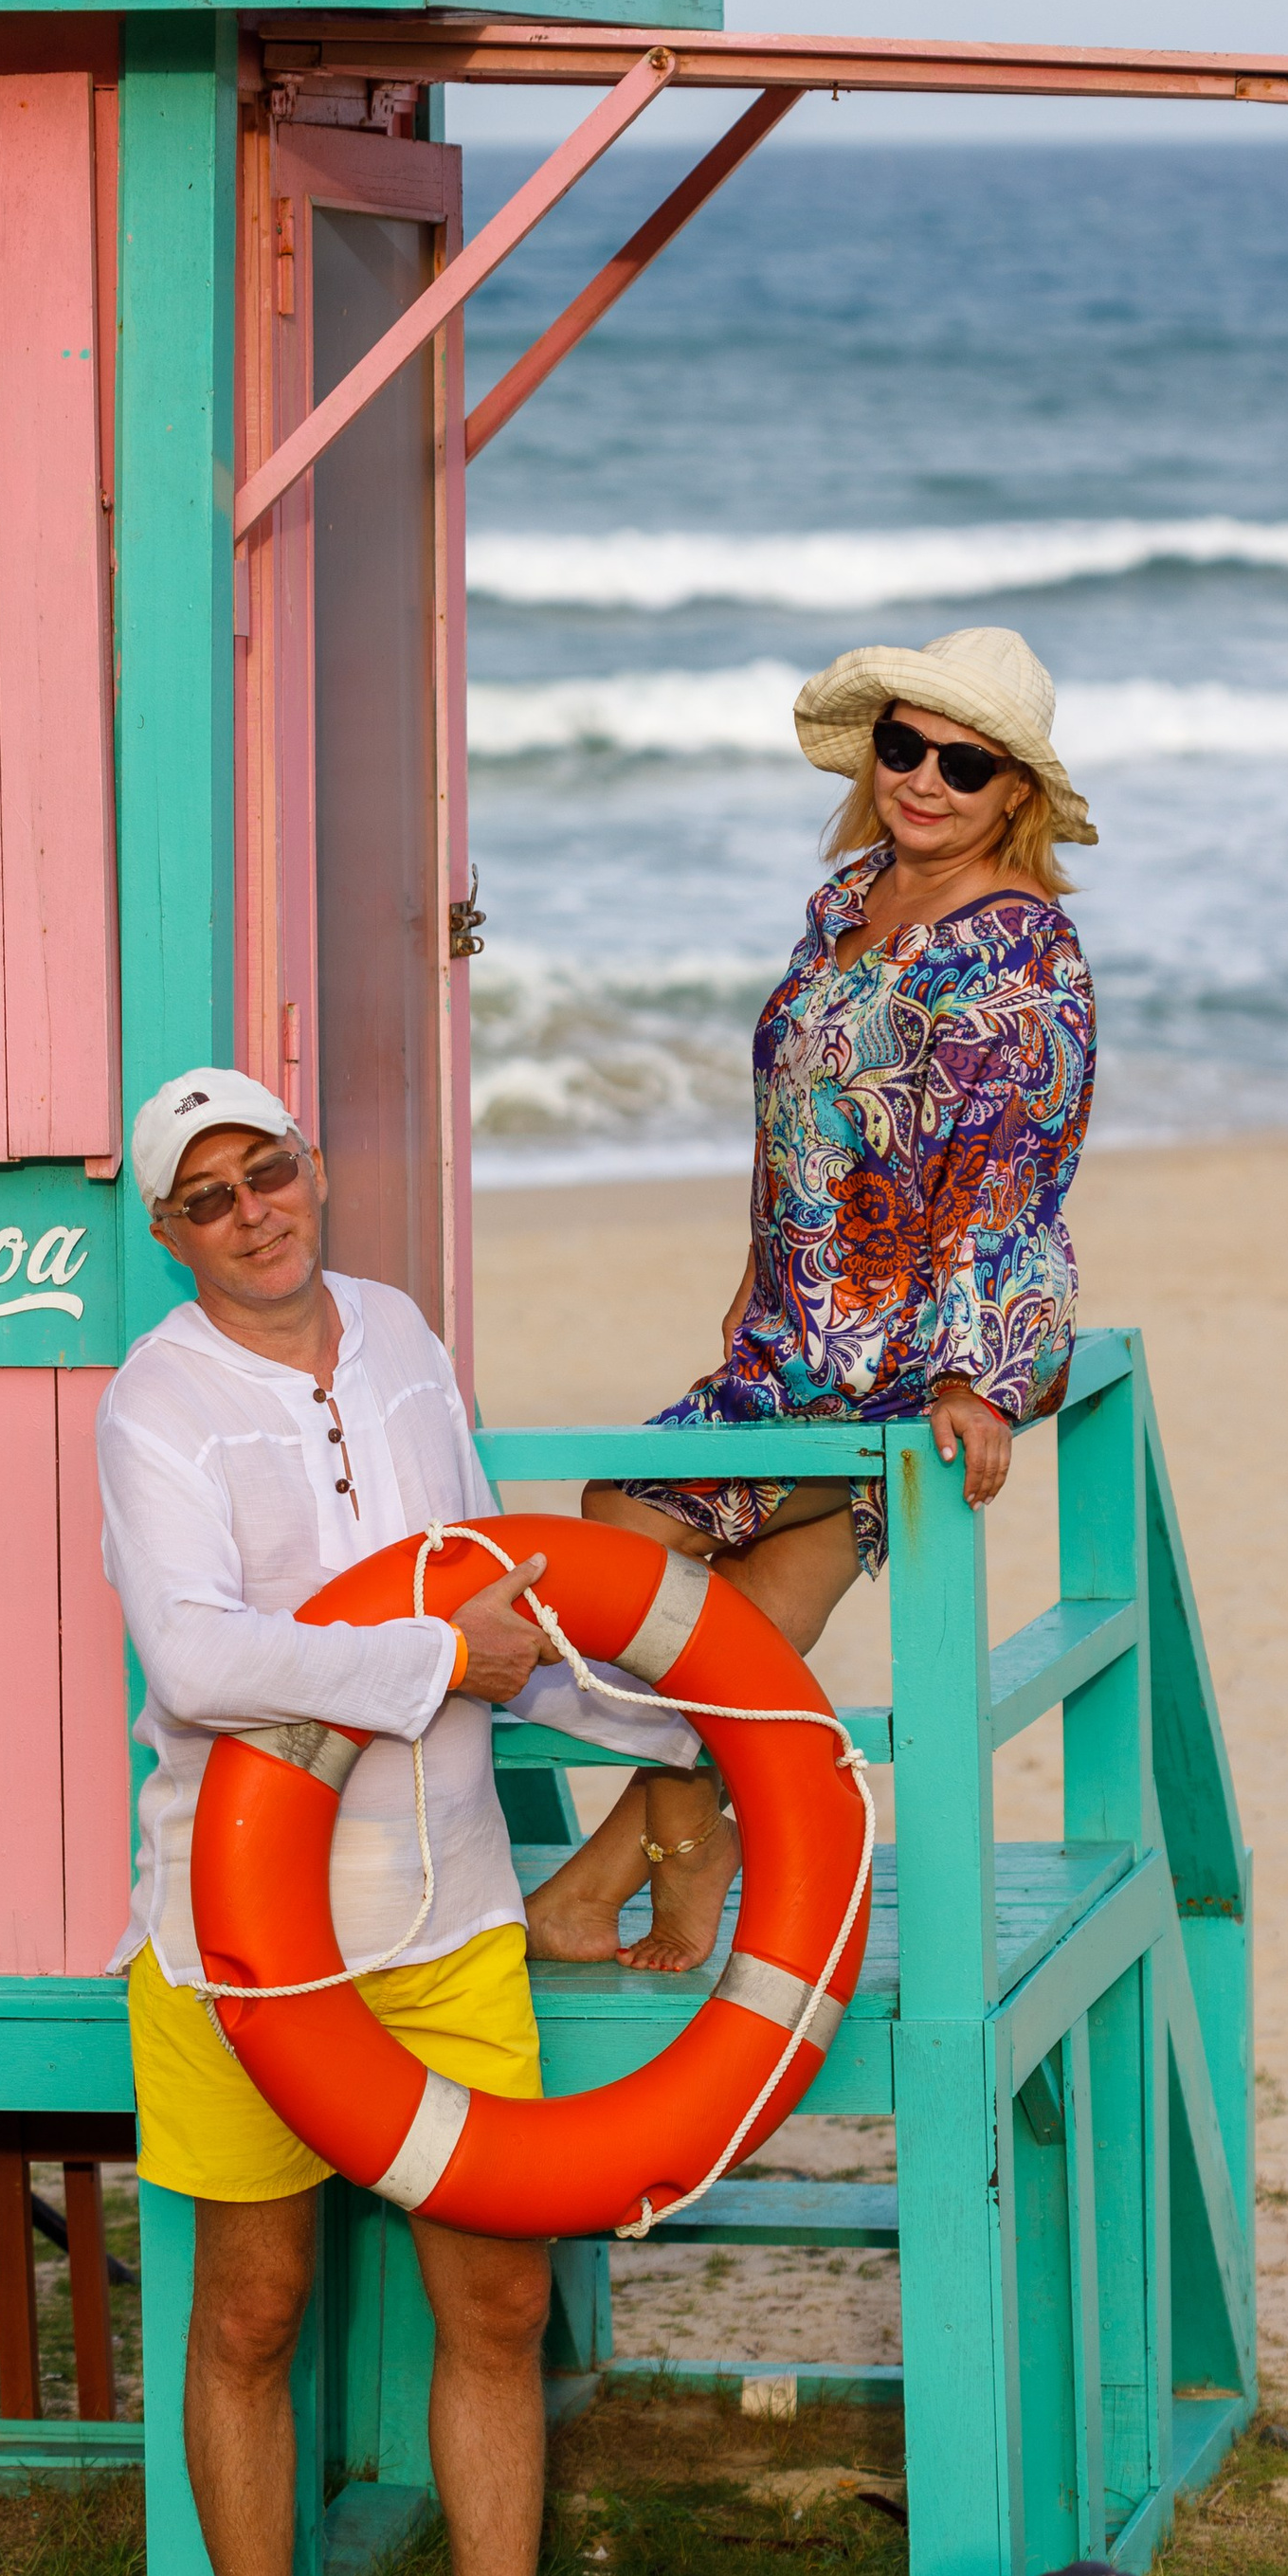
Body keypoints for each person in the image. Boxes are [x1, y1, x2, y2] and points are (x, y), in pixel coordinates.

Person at [98, 1065, 697, 2576]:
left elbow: (496, 1577)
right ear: (168, 1236)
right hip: (237, 1937)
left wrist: (676, 1745)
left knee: (499, 2303)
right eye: (205, 1199)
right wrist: (439, 1664)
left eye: (266, 1173)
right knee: (253, 2312)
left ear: (317, 1168)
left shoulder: (405, 1332)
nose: (250, 1213)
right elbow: (201, 1664)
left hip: (446, 1906)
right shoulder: (156, 1406)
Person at [524, 625, 1098, 1979]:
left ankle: (635, 1867)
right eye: (905, 746)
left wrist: (976, 1378)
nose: (927, 781)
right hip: (791, 1337)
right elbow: (795, 1116)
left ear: (1015, 789)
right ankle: (670, 1860)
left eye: (966, 762)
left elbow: (1011, 1175)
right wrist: (750, 1267)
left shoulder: (1025, 950)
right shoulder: (845, 901)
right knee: (704, 1564)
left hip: (902, 1357)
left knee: (634, 1525)